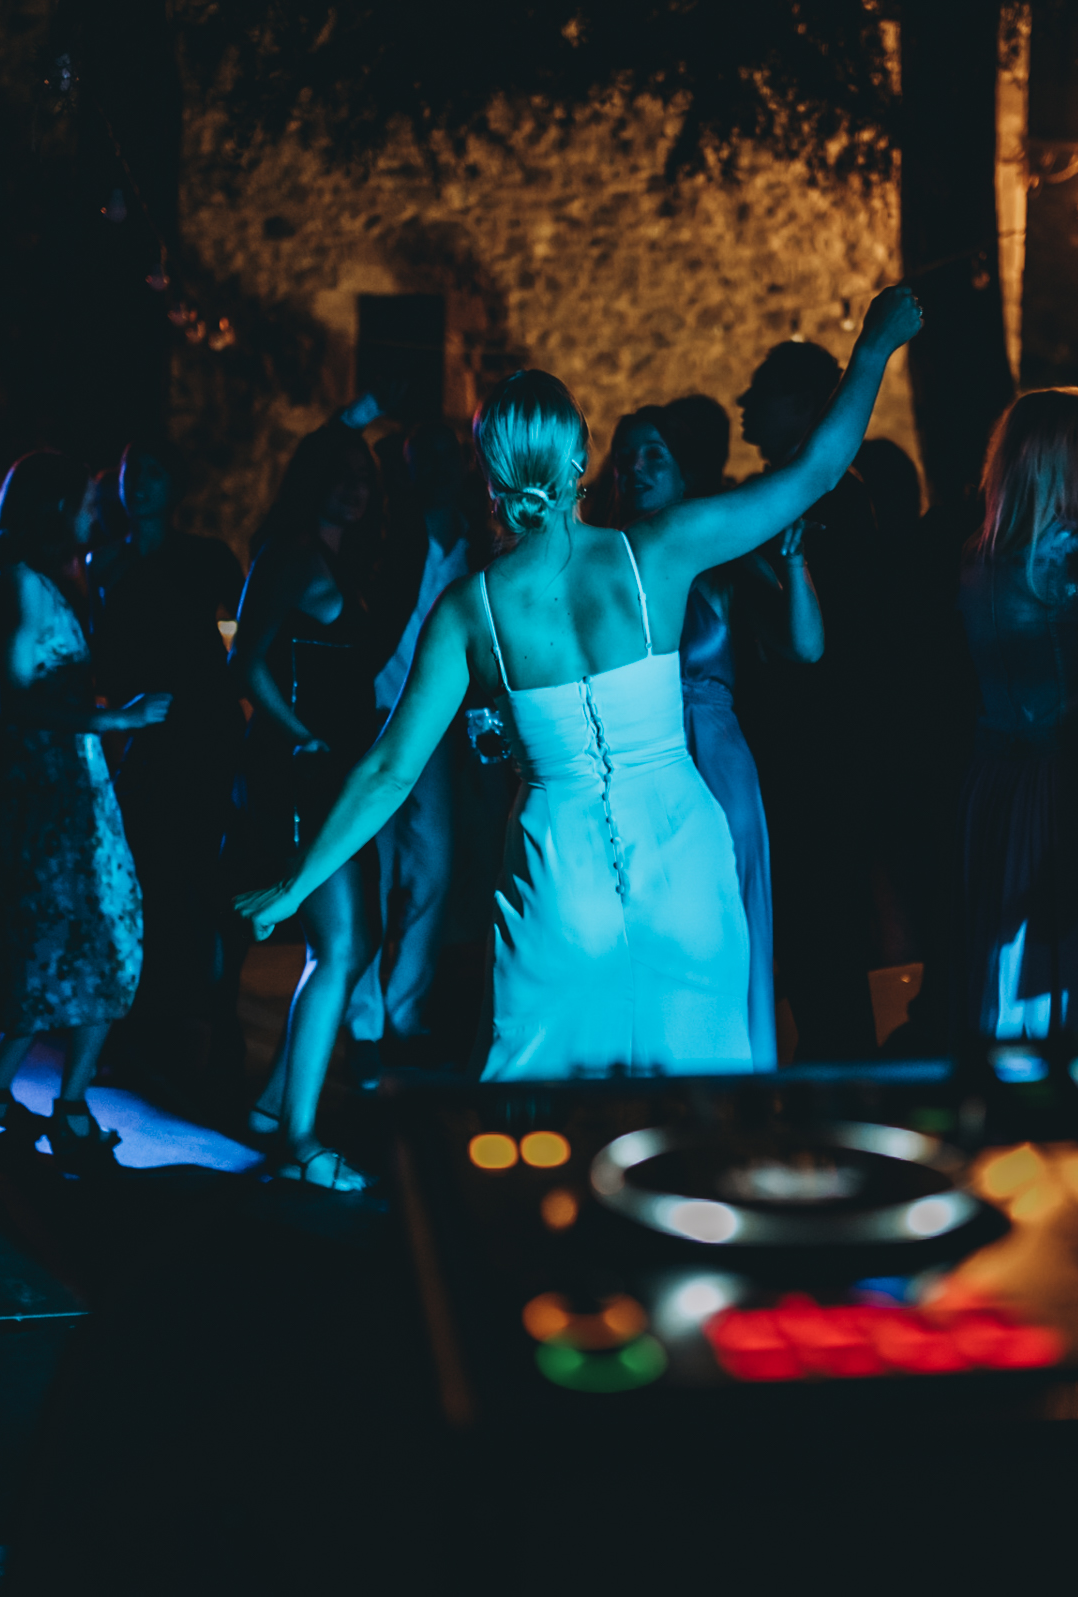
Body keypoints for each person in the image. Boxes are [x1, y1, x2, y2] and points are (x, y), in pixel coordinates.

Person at [237, 284, 923, 1081]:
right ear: (580, 457)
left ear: (489, 471)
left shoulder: (470, 610)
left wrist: (297, 882)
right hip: (684, 864)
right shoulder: (657, 551)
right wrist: (872, 347)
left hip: (557, 879)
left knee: (540, 1110)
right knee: (691, 1101)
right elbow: (817, 470)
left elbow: (390, 769)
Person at [0, 452, 162, 1173]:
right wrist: (115, 720)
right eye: (83, 502)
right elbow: (18, 699)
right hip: (48, 797)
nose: (94, 513)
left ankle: (4, 1101)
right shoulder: (19, 581)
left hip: (69, 788)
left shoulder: (39, 578)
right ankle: (55, 1106)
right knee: (85, 943)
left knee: (85, 944)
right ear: (51, 509)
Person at [609, 403, 822, 1069]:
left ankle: (734, 1073)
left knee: (726, 921)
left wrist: (794, 562)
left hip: (712, 756)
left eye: (655, 455)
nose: (637, 468)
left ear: (684, 471)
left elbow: (806, 646)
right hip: (631, 753)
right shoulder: (601, 559)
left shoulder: (719, 560)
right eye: (626, 457)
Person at [229, 403, 404, 1185]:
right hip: (305, 773)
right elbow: (246, 662)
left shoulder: (341, 561)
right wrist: (300, 736)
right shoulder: (291, 556)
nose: (355, 488)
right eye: (340, 476)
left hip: (339, 773)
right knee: (338, 946)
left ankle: (273, 1107)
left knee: (356, 943)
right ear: (312, 483)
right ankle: (297, 1140)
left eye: (364, 477)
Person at [957, 388, 1078, 1040]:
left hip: (994, 783)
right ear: (1064, 459)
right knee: (1066, 962)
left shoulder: (977, 556)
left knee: (1009, 957)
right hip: (1068, 787)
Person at [733, 340, 885, 1057]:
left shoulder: (837, 502)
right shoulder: (782, 493)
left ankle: (839, 1080)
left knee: (824, 937)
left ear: (803, 407)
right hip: (787, 751)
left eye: (760, 392)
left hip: (822, 754)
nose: (745, 405)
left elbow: (838, 642)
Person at [339, 413, 498, 1072]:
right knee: (372, 870)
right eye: (419, 455)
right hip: (376, 713)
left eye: (444, 453)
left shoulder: (481, 537)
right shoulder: (386, 532)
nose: (434, 467)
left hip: (442, 726)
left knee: (432, 868)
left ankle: (406, 1009)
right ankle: (364, 1017)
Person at [89, 446, 247, 1106]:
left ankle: (216, 1026)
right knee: (146, 882)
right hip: (141, 738)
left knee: (204, 881)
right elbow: (102, 653)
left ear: (175, 485)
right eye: (131, 471)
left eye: (152, 471)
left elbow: (246, 628)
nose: (139, 482)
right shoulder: (105, 560)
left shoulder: (207, 556)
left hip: (204, 733)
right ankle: (146, 1033)